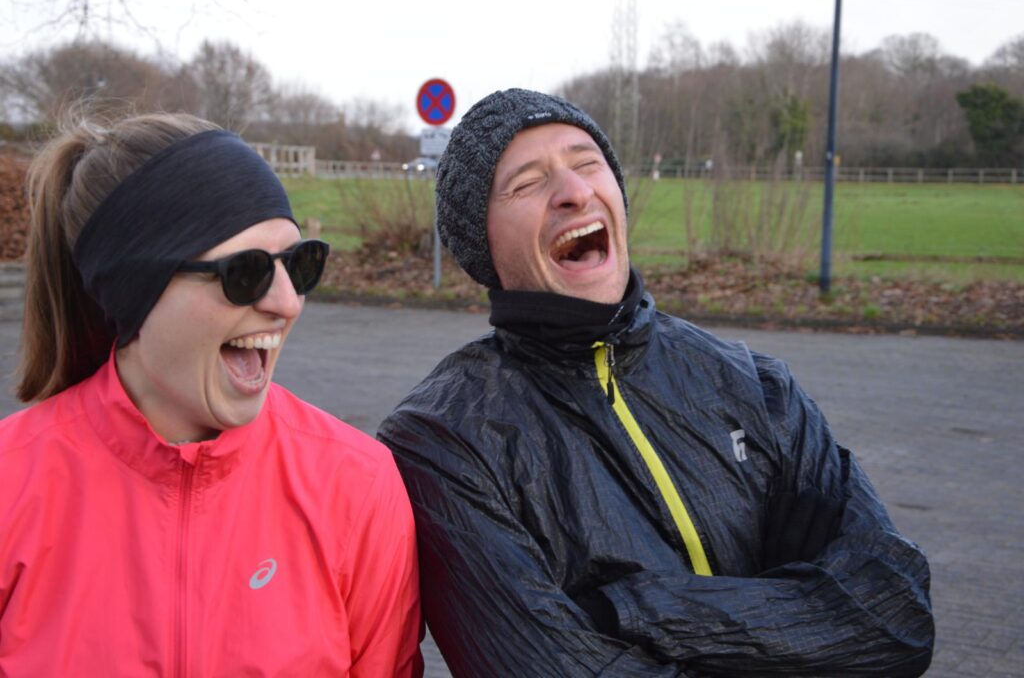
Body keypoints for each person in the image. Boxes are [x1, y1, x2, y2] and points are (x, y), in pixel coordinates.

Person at [378, 89, 934, 677]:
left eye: (587, 162)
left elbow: (895, 618)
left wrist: (638, 608)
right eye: (527, 183)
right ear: (482, 243)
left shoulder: (755, 383)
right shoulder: (444, 441)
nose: (574, 191)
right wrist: (798, 624)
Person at [0, 113, 423, 676]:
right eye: (244, 272)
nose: (288, 303)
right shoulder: (11, 485)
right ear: (132, 291)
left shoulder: (358, 486)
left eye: (299, 264)